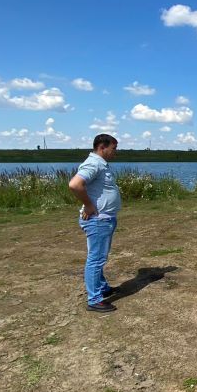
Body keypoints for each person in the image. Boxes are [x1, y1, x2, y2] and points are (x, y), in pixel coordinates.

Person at [68, 134, 122, 313]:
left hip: (104, 219)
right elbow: (75, 184)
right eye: (113, 148)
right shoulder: (94, 163)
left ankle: (102, 287)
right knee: (96, 259)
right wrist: (89, 205)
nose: (115, 152)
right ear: (102, 147)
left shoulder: (101, 164)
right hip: (98, 220)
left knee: (99, 256)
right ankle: (95, 299)